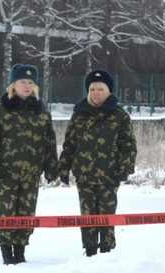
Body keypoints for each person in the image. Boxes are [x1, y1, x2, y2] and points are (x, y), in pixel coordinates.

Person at [0, 64, 58, 265]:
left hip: (31, 173)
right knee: (6, 212)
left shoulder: (41, 111)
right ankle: (7, 253)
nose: (26, 86)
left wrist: (51, 167)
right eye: (22, 81)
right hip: (6, 173)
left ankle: (20, 251)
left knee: (27, 212)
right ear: (13, 84)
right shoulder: (0, 109)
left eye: (30, 82)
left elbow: (49, 141)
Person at [58, 70, 136, 256]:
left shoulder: (119, 115)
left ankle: (107, 251)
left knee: (107, 214)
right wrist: (64, 167)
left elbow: (128, 146)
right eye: (92, 88)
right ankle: (90, 250)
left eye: (100, 88)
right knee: (87, 215)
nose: (96, 92)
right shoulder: (79, 114)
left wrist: (125, 168)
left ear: (109, 91)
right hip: (84, 175)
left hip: (110, 175)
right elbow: (70, 144)